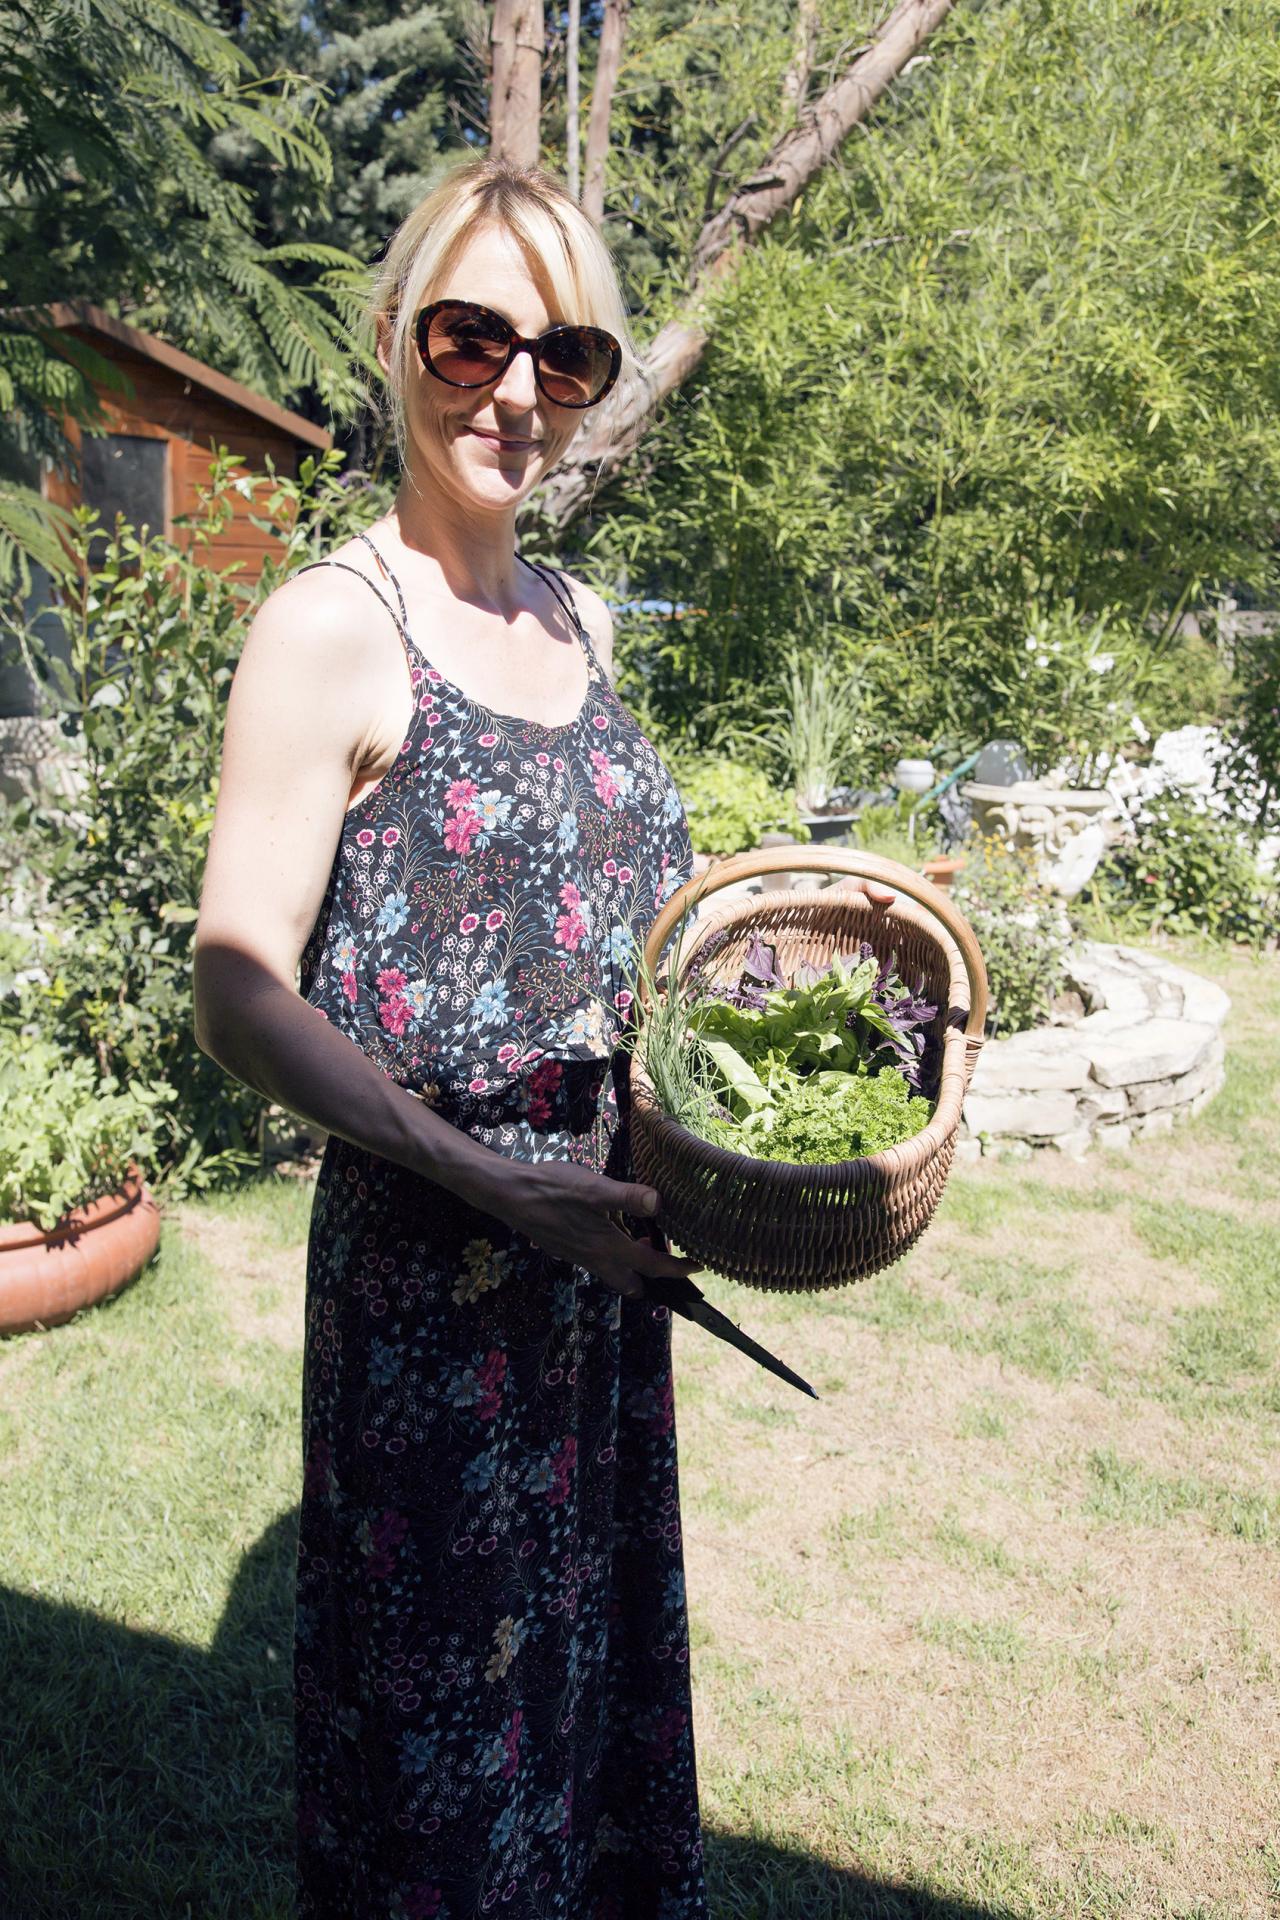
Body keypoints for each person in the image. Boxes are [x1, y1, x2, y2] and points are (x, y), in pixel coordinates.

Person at [193, 155, 711, 1919]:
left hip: (596, 1303)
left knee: (580, 1731)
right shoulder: (334, 629)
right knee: (440, 1791)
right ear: (398, 335)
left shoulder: (580, 616)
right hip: (437, 1304)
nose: (512, 389)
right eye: (468, 332)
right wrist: (488, 1178)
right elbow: (237, 977)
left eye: (562, 355)